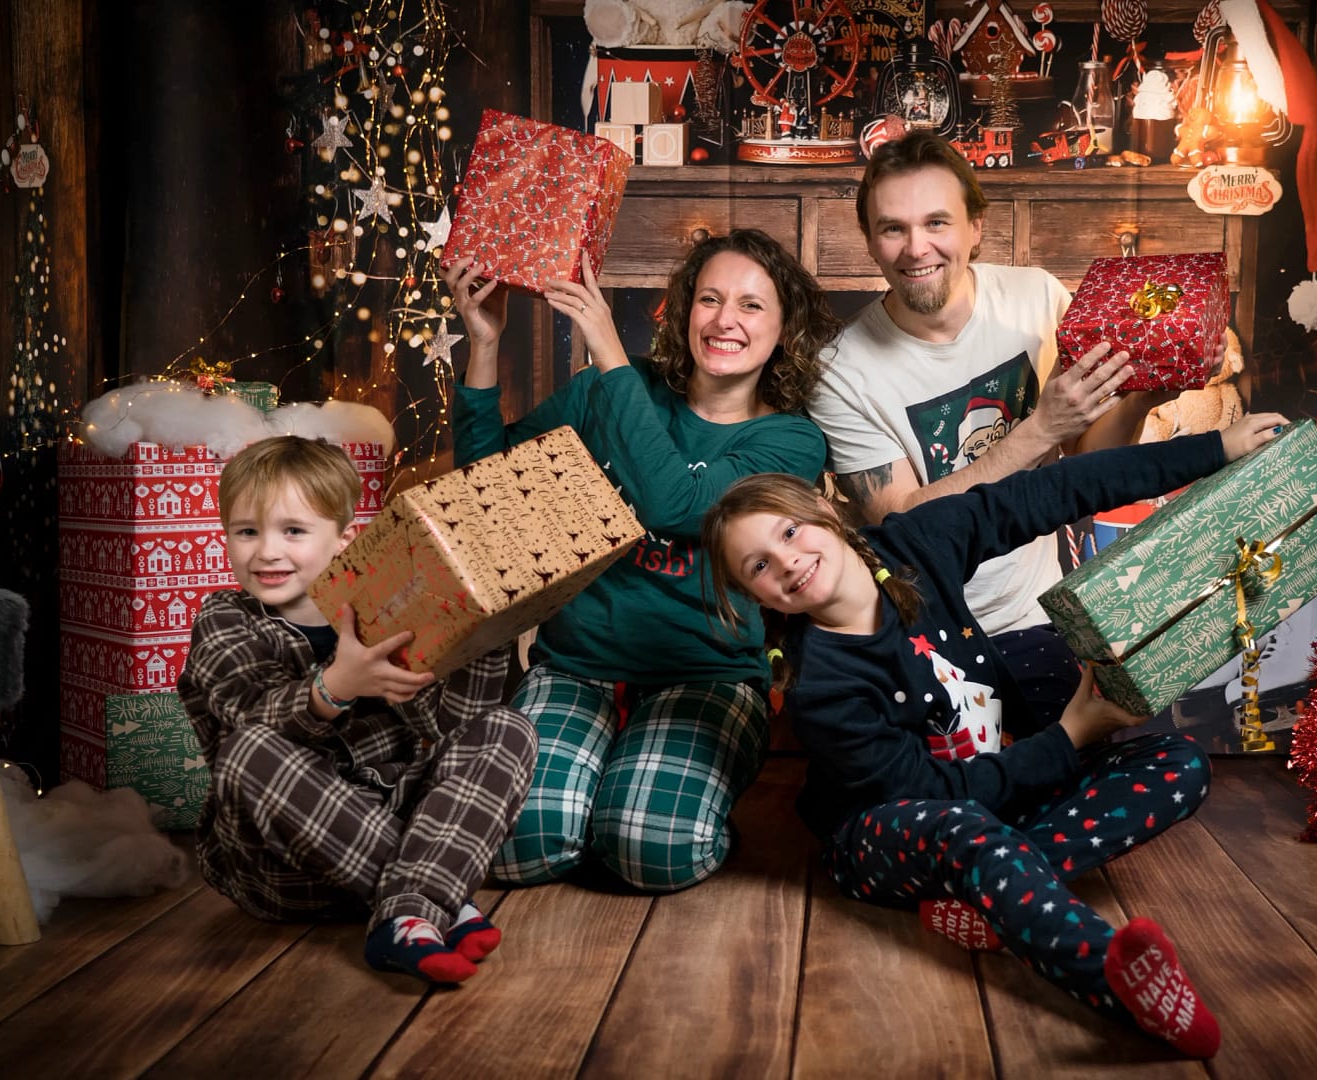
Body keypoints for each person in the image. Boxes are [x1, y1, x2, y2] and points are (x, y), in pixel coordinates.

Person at [700, 412, 1290, 1059]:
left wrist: (1213, 448)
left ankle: (988, 896)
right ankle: (1116, 980)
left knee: (1178, 763)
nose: (788, 560)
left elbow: (1052, 492)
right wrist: (1068, 736)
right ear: (755, 595)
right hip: (891, 835)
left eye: (789, 530)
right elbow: (936, 792)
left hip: (1000, 796)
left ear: (822, 507)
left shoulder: (914, 546)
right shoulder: (821, 689)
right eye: (758, 564)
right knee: (960, 829)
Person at [441, 228, 841, 892]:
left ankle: (646, 805)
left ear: (784, 328)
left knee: (647, 848)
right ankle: (599, 791)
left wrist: (605, 351)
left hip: (704, 675)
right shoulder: (615, 389)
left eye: (750, 305)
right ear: (685, 310)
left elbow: (678, 507)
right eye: (708, 299)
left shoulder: (790, 441)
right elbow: (488, 490)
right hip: (578, 667)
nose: (723, 321)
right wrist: (484, 345)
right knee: (514, 845)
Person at [807, 128, 1222, 726]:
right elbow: (905, 527)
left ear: (977, 227)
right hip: (922, 635)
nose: (915, 248)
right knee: (964, 795)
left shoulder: (1036, 300)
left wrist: (1144, 396)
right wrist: (1039, 428)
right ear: (870, 242)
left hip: (1030, 619)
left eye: (937, 223)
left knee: (1121, 759)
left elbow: (1086, 463)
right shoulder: (840, 371)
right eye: (893, 228)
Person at [178, 435, 538, 987]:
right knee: (247, 746)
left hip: (391, 825)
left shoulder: (386, 609)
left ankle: (408, 912)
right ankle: (431, 900)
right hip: (278, 865)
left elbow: (450, 729)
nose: (266, 551)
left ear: (345, 541)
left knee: (507, 729)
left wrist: (476, 632)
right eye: (246, 531)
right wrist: (337, 685)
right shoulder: (226, 618)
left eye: (293, 531)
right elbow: (248, 712)